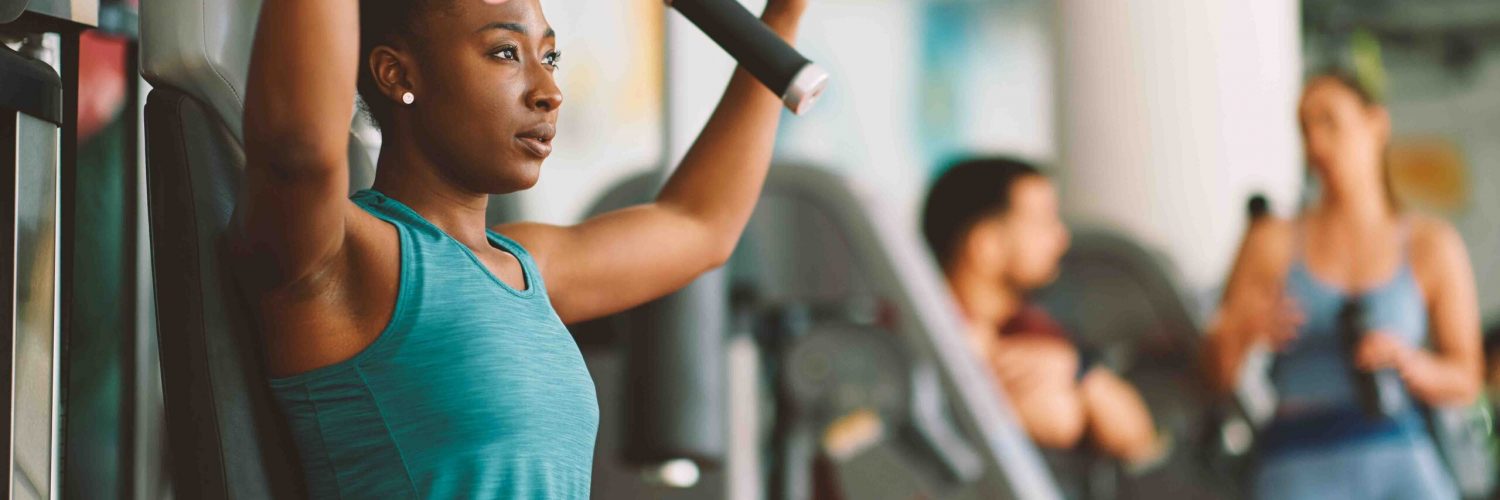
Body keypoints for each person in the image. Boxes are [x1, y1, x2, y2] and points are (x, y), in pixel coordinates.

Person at [235, 0, 807, 497]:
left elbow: (699, 224)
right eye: (506, 53)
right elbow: (299, 150)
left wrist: (782, 16)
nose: (549, 92)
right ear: (394, 72)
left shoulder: (526, 269)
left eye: (549, 56)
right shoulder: (346, 259)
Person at [1204, 68, 1481, 499]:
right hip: (1298, 461)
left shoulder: (1431, 244)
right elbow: (1212, 375)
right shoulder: (1271, 242)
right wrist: (1245, 328)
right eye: (1305, 127)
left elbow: (1467, 378)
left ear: (1376, 124)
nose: (1315, 143)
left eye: (1329, 121)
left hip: (1399, 455)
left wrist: (1412, 363)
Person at [921, 157, 1166, 466]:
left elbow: (1139, 440)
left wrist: (1077, 370)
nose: (1061, 239)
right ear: (986, 244)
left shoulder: (1032, 328)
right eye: (1043, 222)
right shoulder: (925, 337)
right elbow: (1057, 420)